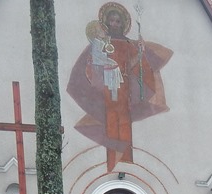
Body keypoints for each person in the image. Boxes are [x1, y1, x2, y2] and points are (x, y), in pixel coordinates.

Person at [68, 3, 172, 171]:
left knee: (123, 118)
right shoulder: (100, 42)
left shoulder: (129, 44)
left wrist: (140, 52)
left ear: (122, 24)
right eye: (111, 20)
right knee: (111, 117)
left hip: (124, 87)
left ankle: (125, 157)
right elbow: (91, 65)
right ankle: (113, 156)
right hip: (108, 85)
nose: (114, 24)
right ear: (106, 22)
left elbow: (133, 65)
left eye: (117, 21)